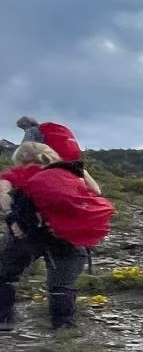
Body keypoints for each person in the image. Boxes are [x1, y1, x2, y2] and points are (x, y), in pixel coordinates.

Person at [0, 142, 101, 333]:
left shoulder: (13, 174)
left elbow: (3, 195)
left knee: (5, 274)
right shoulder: (71, 169)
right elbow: (96, 192)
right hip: (67, 231)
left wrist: (12, 217)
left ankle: (3, 320)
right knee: (62, 283)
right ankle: (63, 328)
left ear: (22, 158)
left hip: (28, 232)